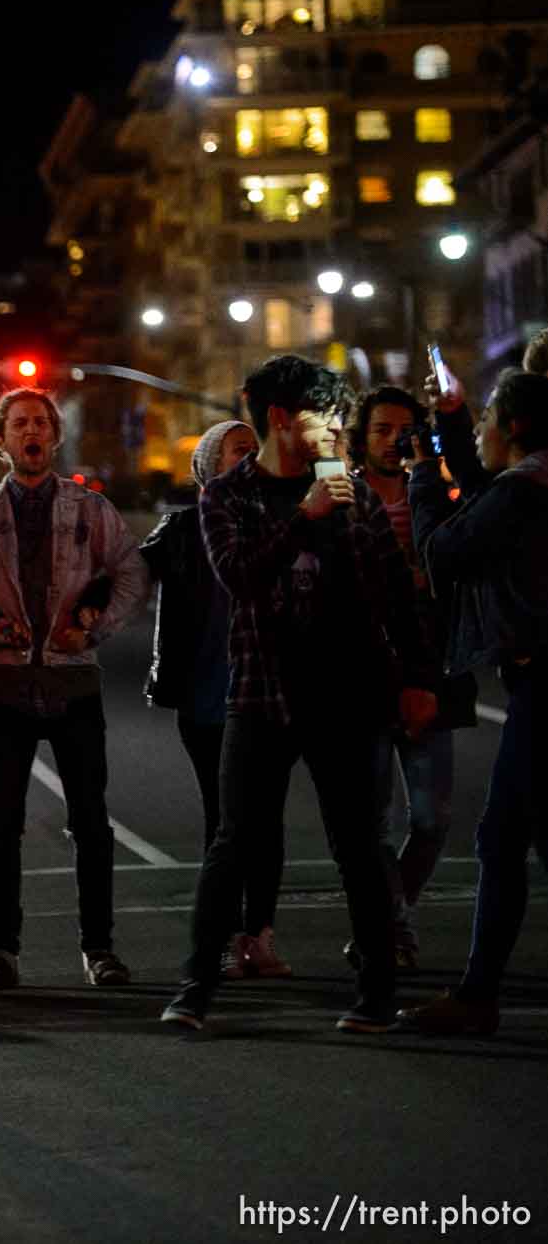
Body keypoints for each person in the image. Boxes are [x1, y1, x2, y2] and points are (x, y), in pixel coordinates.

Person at [161, 356, 439, 1034]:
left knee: (359, 847)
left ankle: (375, 994)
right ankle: (194, 989)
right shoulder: (227, 496)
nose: (333, 434)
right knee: (233, 843)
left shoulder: (347, 490)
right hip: (260, 694)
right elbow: (241, 579)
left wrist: (417, 676)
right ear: (281, 421)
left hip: (347, 695)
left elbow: (392, 590)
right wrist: (304, 521)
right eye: (322, 421)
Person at [0, 388, 148, 992]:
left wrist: (95, 628)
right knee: (2, 822)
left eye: (41, 423)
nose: (32, 432)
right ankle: (1, 951)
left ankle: (100, 949)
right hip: (5, 685)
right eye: (19, 423)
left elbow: (130, 568)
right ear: (1, 440)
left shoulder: (87, 507)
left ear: (53, 437)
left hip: (74, 681)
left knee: (91, 821)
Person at [400, 366, 548, 1034]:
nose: (482, 424)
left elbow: (441, 552)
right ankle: (478, 990)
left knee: (498, 838)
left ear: (514, 426)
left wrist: (422, 475)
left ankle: (477, 995)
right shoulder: (528, 480)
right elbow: (485, 482)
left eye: (489, 414)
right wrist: (453, 418)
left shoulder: (522, 491)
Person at [138, 420, 292, 979]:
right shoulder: (181, 529)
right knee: (226, 822)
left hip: (270, 696)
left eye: (255, 450)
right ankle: (224, 937)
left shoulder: (277, 520)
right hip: (205, 699)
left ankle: (261, 935)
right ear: (208, 465)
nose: (249, 458)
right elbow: (130, 573)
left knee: (267, 819)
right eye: (237, 451)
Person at [348, 385, 474, 969]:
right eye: (381, 429)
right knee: (369, 821)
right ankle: (392, 931)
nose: (395, 441)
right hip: (364, 679)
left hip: (430, 670)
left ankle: (386, 918)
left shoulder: (435, 495)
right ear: (360, 435)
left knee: (431, 819)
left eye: (405, 430)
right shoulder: (338, 495)